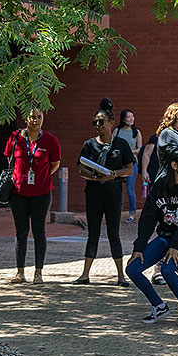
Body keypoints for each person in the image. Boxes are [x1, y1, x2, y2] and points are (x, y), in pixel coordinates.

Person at [126, 149, 178, 329]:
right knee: (132, 269)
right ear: (174, 165)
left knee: (167, 270)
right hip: (165, 237)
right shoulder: (160, 185)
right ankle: (159, 305)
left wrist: (176, 245)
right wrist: (139, 247)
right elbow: (148, 217)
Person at [75, 99, 135, 285]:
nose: (98, 125)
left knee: (113, 234)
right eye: (95, 122)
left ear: (111, 123)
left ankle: (120, 276)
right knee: (92, 233)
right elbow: (81, 168)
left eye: (101, 121)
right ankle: (85, 274)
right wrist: (93, 176)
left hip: (113, 192)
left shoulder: (121, 144)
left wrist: (113, 174)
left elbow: (129, 169)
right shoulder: (89, 144)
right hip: (94, 192)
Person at [4, 107, 61, 284]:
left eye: (39, 117)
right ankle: (20, 273)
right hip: (18, 193)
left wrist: (42, 176)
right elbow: (10, 160)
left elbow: (55, 164)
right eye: (32, 117)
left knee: (39, 232)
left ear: (43, 118)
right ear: (25, 119)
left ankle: (38, 273)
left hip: (42, 193)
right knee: (21, 232)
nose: (35, 120)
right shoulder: (15, 137)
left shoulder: (50, 140)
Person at [114, 109, 143, 223]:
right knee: (116, 189)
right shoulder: (117, 131)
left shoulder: (136, 132)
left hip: (132, 163)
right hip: (118, 164)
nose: (131, 119)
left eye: (132, 117)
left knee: (130, 189)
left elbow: (139, 149)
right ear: (123, 119)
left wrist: (127, 151)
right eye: (128, 117)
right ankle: (115, 212)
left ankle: (132, 213)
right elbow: (112, 145)